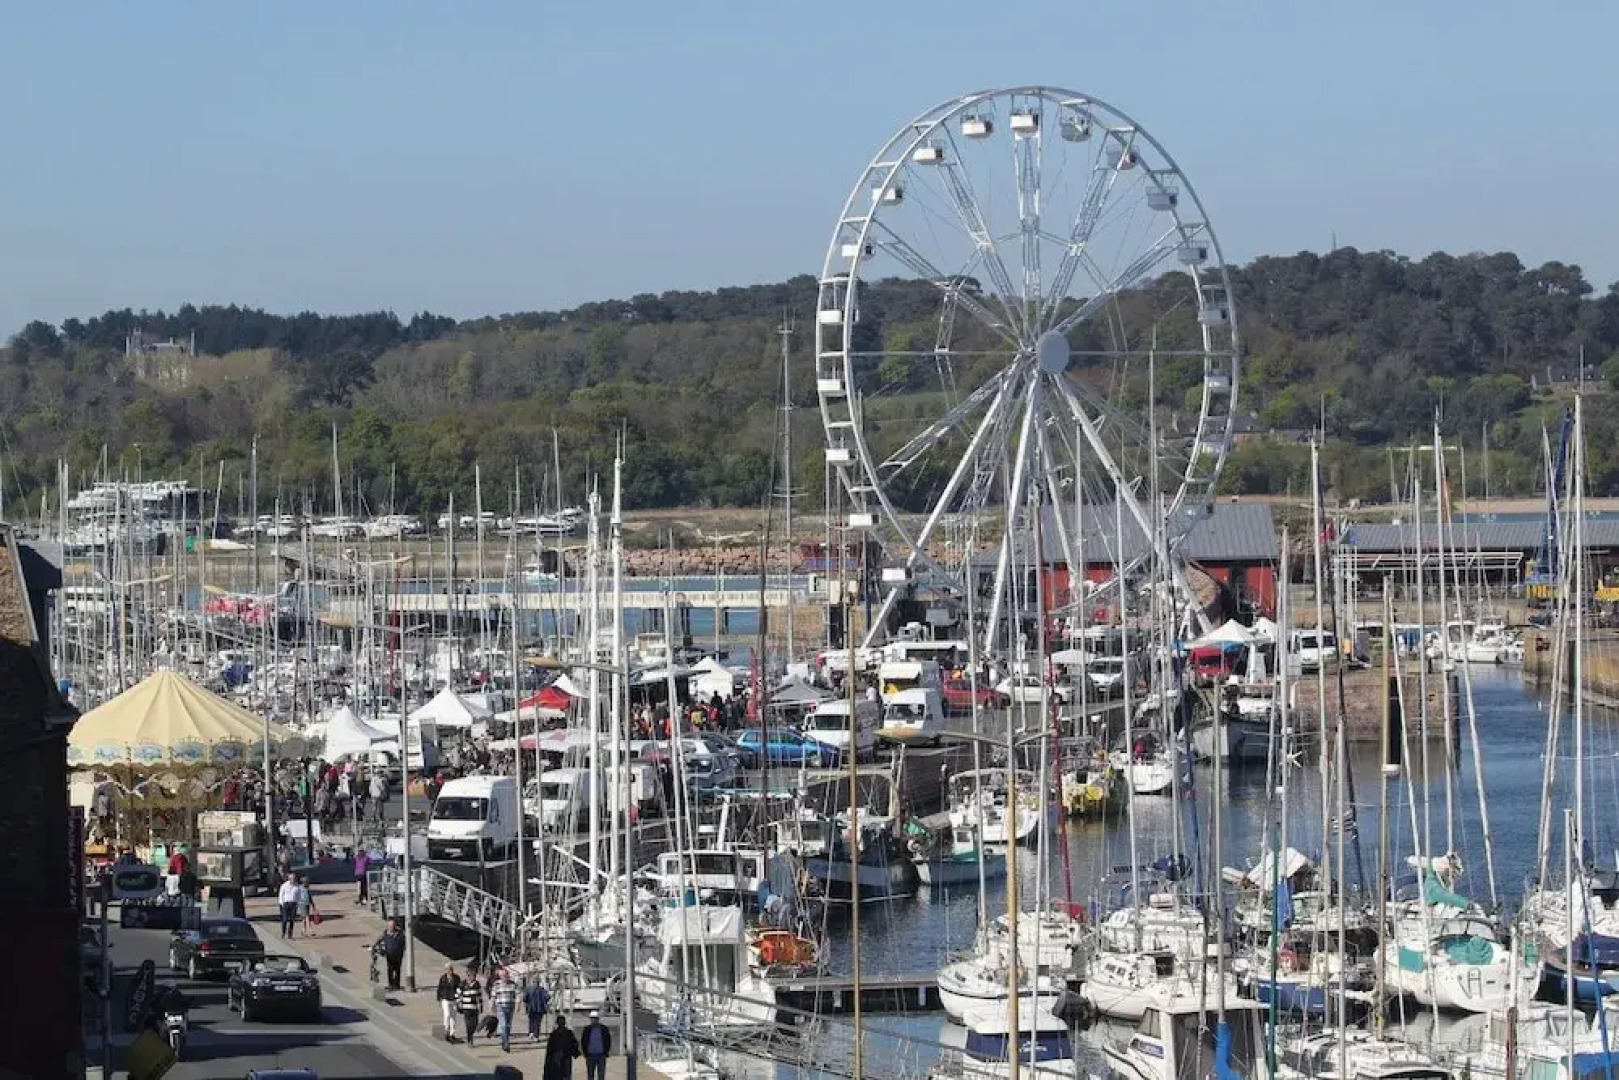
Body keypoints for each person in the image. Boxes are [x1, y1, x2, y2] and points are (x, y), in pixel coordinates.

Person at [490, 967, 519, 1052]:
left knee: (508, 1025)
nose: (505, 977)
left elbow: (518, 994)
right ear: (500, 976)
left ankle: (504, 1041)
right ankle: (506, 1043)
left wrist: (518, 1005)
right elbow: (493, 996)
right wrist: (491, 1007)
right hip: (500, 1006)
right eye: (502, 975)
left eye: (506, 975)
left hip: (510, 1006)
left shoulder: (513, 984)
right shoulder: (496, 984)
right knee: (503, 1024)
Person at [544, 1013, 580, 1080]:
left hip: (561, 1057)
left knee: (561, 1074)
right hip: (560, 1057)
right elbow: (574, 1044)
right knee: (564, 1074)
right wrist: (575, 1053)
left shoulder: (557, 1034)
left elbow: (550, 1050)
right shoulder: (557, 1034)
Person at [580, 1009, 612, 1080]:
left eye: (595, 1018)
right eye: (592, 1018)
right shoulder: (587, 1029)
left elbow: (608, 1041)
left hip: (601, 1055)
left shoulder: (604, 1029)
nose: (594, 1020)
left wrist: (606, 1052)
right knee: (590, 1075)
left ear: (598, 1019)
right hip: (590, 1055)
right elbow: (583, 1041)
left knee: (601, 1075)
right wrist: (585, 1053)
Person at [435, 963, 461, 1042]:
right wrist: (439, 998)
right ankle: (446, 1031)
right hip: (445, 999)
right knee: (447, 1015)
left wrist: (458, 998)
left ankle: (452, 1034)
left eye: (451, 969)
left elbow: (459, 988)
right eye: (448, 969)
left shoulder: (456, 978)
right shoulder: (443, 978)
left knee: (453, 1017)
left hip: (453, 999)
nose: (450, 971)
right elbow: (439, 988)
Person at [455, 974, 484, 1046]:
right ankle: (470, 1038)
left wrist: (481, 1005)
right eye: (471, 976)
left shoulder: (477, 984)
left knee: (475, 1024)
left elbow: (479, 995)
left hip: (474, 1007)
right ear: (468, 976)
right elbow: (457, 994)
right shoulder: (463, 984)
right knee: (468, 1024)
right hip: (466, 1007)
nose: (472, 978)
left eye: (474, 976)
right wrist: (459, 1003)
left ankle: (471, 1035)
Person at [378, 919, 407, 990]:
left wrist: (402, 950)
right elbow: (378, 941)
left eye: (393, 926)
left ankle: (397, 985)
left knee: (397, 969)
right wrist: (377, 948)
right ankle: (391, 984)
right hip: (389, 954)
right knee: (390, 969)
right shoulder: (385, 934)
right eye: (390, 926)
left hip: (398, 955)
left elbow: (404, 943)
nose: (392, 928)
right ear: (388, 927)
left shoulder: (400, 933)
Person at [523, 976, 551, 1042]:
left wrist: (526, 1004)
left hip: (533, 1008)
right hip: (538, 1008)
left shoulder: (529, 989)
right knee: (536, 1022)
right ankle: (534, 1035)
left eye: (536, 982)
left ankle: (532, 1033)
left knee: (533, 1021)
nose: (535, 983)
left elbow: (524, 999)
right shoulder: (541, 989)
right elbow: (548, 997)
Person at [277, 874, 300, 939]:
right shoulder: (284, 886)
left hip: (293, 904)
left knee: (292, 920)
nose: (293, 880)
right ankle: (283, 933)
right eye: (292, 878)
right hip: (285, 904)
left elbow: (298, 895)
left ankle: (290, 934)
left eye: (294, 878)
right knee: (284, 919)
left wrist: (297, 903)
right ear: (289, 879)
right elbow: (281, 895)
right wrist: (282, 903)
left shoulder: (297, 886)